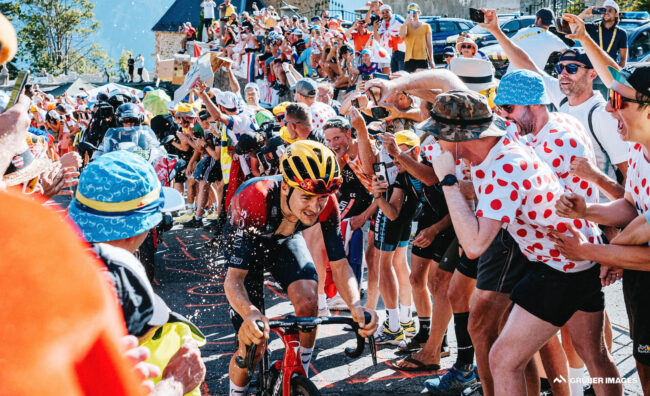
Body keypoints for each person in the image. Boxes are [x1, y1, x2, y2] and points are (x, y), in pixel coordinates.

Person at [428, 89, 621, 395]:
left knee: (503, 360)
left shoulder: (504, 164)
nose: (432, 141)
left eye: (437, 134)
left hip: (560, 266)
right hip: (570, 259)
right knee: (595, 355)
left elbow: (476, 245)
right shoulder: (498, 146)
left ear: (458, 137)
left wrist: (448, 181)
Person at [223, 140, 378, 395]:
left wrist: (356, 306)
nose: (314, 207)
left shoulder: (327, 204)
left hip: (284, 240)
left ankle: (299, 376)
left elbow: (339, 266)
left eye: (321, 198)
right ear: (285, 187)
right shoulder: (255, 198)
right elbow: (234, 280)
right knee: (254, 345)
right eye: (306, 196)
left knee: (308, 303)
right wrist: (250, 314)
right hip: (247, 246)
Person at [551, 17, 650, 389]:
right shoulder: (640, 150)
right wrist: (585, 211)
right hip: (640, 282)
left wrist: (592, 252)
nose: (609, 109)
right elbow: (631, 208)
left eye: (618, 102)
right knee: (643, 363)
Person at [484, 10, 629, 201]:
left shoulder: (602, 115)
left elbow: (629, 178)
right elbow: (527, 65)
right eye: (560, 68)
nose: (563, 74)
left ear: (593, 74)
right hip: (564, 209)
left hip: (598, 214)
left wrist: (614, 224)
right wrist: (496, 31)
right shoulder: (562, 97)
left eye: (572, 68)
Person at [504, 7, 568, 73]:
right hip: (533, 79)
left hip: (511, 76)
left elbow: (507, 47)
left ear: (539, 20)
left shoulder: (521, 32)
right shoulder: (552, 38)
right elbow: (568, 52)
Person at [579, 0, 627, 67]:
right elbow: (568, 27)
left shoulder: (621, 33)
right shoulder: (592, 27)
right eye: (604, 10)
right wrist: (583, 15)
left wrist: (619, 74)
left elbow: (623, 58)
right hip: (591, 70)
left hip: (609, 71)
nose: (606, 12)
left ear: (616, 14)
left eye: (610, 10)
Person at [399, 3, 434, 73]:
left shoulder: (426, 26)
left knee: (423, 82)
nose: (413, 14)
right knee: (409, 82)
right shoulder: (404, 26)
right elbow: (402, 37)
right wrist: (405, 23)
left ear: (419, 12)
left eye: (414, 12)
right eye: (410, 12)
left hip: (422, 58)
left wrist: (431, 60)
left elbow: (429, 45)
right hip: (409, 59)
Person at [373, 4, 405, 73]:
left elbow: (408, 26)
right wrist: (375, 29)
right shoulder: (383, 24)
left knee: (402, 75)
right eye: (383, 13)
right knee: (394, 75)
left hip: (402, 52)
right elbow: (378, 39)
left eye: (387, 12)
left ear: (391, 12)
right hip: (392, 53)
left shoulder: (397, 19)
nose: (385, 14)